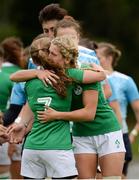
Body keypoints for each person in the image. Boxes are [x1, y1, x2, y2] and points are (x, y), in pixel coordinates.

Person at [8, 35, 106, 179]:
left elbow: (14, 77)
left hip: (32, 147)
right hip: (58, 147)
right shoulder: (68, 75)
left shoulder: (30, 81)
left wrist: (36, 72)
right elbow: (99, 77)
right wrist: (99, 69)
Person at [96, 42, 139, 178]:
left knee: (117, 176)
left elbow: (138, 111)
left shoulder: (125, 80)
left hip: (120, 133)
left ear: (109, 58)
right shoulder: (90, 77)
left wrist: (133, 134)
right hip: (95, 133)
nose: (94, 60)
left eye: (98, 57)